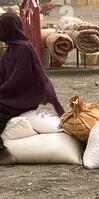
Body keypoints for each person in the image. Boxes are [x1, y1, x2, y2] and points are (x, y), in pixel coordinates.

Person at [0, 13, 65, 165]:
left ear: (9, 29)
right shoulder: (9, 50)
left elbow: (20, 82)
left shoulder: (24, 49)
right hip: (9, 95)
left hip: (21, 98)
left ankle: (3, 154)